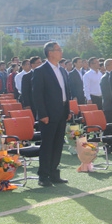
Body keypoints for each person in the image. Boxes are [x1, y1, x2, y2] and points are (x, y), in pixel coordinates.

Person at [32, 42, 71, 186]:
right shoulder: (41, 71)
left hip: (62, 111)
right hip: (48, 114)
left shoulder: (62, 70)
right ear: (50, 53)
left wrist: (67, 110)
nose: (61, 52)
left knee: (58, 144)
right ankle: (43, 175)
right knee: (47, 145)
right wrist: (42, 114)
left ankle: (54, 173)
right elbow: (37, 95)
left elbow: (66, 92)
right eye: (58, 50)